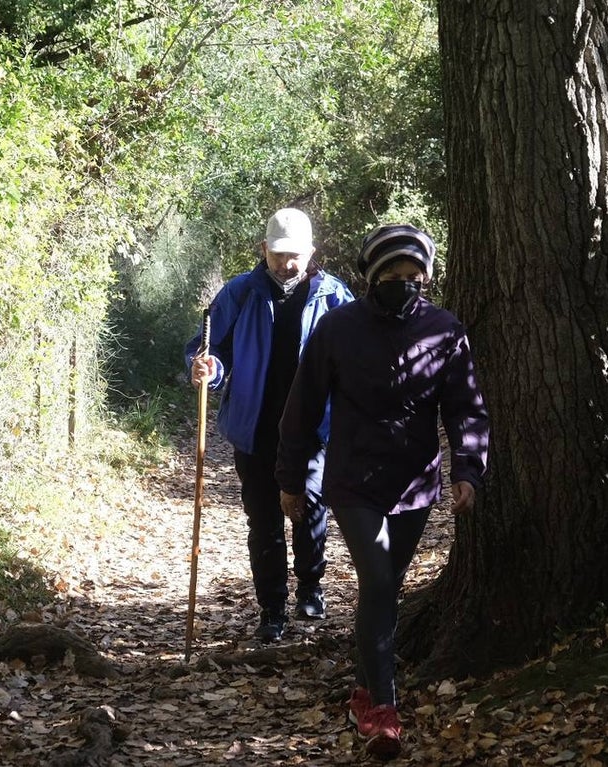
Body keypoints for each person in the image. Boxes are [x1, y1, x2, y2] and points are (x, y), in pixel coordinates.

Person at [275, 223, 490, 759]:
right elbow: (302, 408)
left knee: (385, 591)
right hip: (353, 482)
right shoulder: (338, 329)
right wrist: (290, 478)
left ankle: (363, 691)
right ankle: (385, 713)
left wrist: (468, 469)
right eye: (393, 273)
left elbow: (465, 406)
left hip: (415, 484)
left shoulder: (444, 330)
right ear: (373, 276)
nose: (404, 282)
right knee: (376, 580)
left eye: (414, 274)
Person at [185, 208, 354, 643]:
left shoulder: (334, 296)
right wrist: (207, 368)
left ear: (311, 252)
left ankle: (310, 586)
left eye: (294, 255)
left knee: (310, 508)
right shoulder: (241, 292)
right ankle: (272, 608)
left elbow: (357, 358)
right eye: (278, 254)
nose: (286, 263)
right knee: (263, 521)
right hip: (256, 428)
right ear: (264, 250)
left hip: (314, 430)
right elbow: (209, 348)